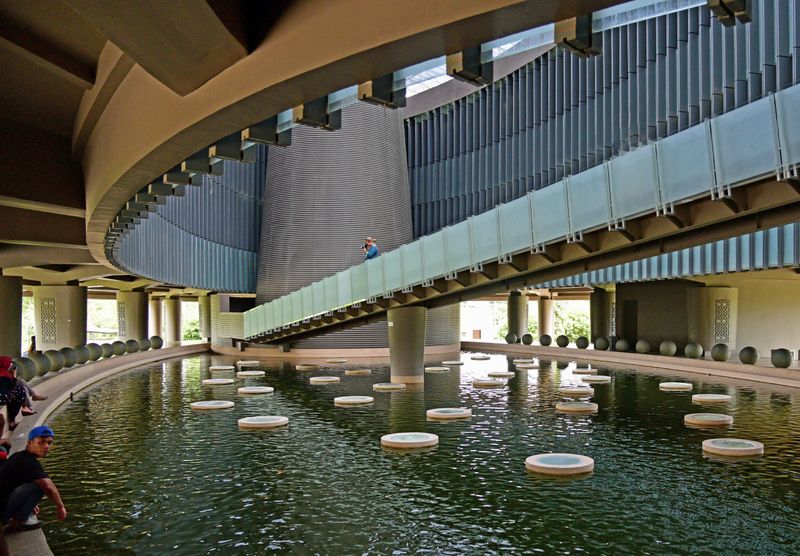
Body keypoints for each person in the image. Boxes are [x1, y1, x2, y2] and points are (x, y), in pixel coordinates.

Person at [0, 426, 66, 555]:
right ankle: (18, 521)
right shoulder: (29, 463)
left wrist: (29, 504)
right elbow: (48, 486)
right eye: (41, 442)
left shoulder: (19, 456)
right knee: (41, 485)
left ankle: (20, 516)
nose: (46, 446)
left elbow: (17, 483)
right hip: (2, 510)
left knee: (37, 482)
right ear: (29, 443)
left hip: (4, 502)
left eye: (49, 443)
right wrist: (60, 507)